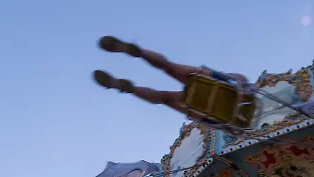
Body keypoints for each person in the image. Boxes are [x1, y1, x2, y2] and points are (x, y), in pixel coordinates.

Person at [92, 36, 249, 122]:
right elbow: (240, 80)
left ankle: (136, 69)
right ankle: (137, 61)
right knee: (169, 85)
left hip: (210, 101)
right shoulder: (246, 103)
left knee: (169, 76)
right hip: (224, 103)